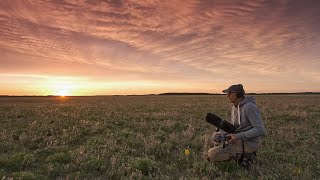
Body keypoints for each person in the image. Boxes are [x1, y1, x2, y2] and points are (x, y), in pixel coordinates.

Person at [207, 84, 266, 163]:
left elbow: (260, 130)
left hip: (249, 143)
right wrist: (223, 135)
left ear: (238, 94)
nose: (227, 96)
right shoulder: (234, 107)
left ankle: (247, 157)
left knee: (213, 154)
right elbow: (235, 128)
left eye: (230, 93)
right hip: (239, 140)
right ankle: (240, 155)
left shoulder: (249, 107)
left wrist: (238, 136)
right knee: (214, 144)